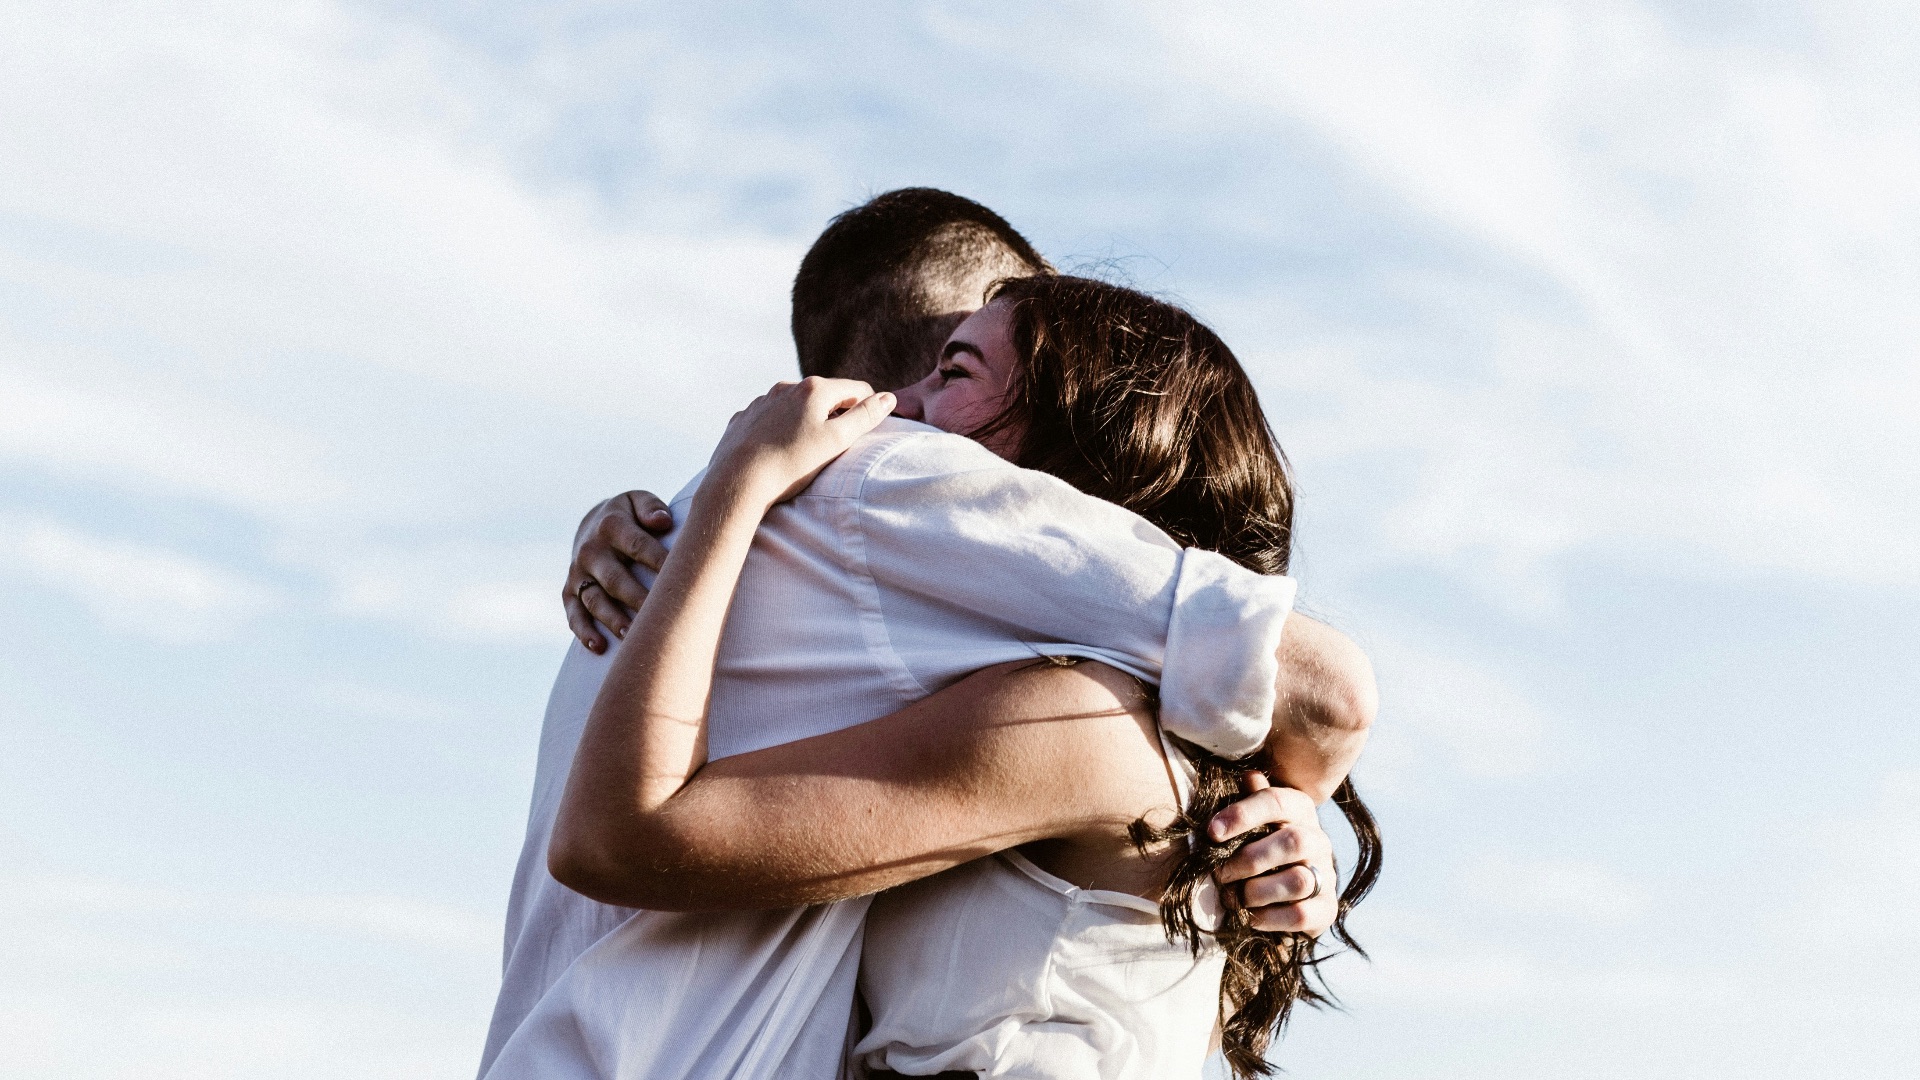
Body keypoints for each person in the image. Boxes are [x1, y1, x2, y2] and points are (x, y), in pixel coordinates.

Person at [477, 190, 1366, 1080]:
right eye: (951, 357)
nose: (900, 405)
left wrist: (1278, 811)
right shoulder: (891, 485)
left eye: (958, 373)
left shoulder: (1067, 712)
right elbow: (1325, 691)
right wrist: (1292, 803)